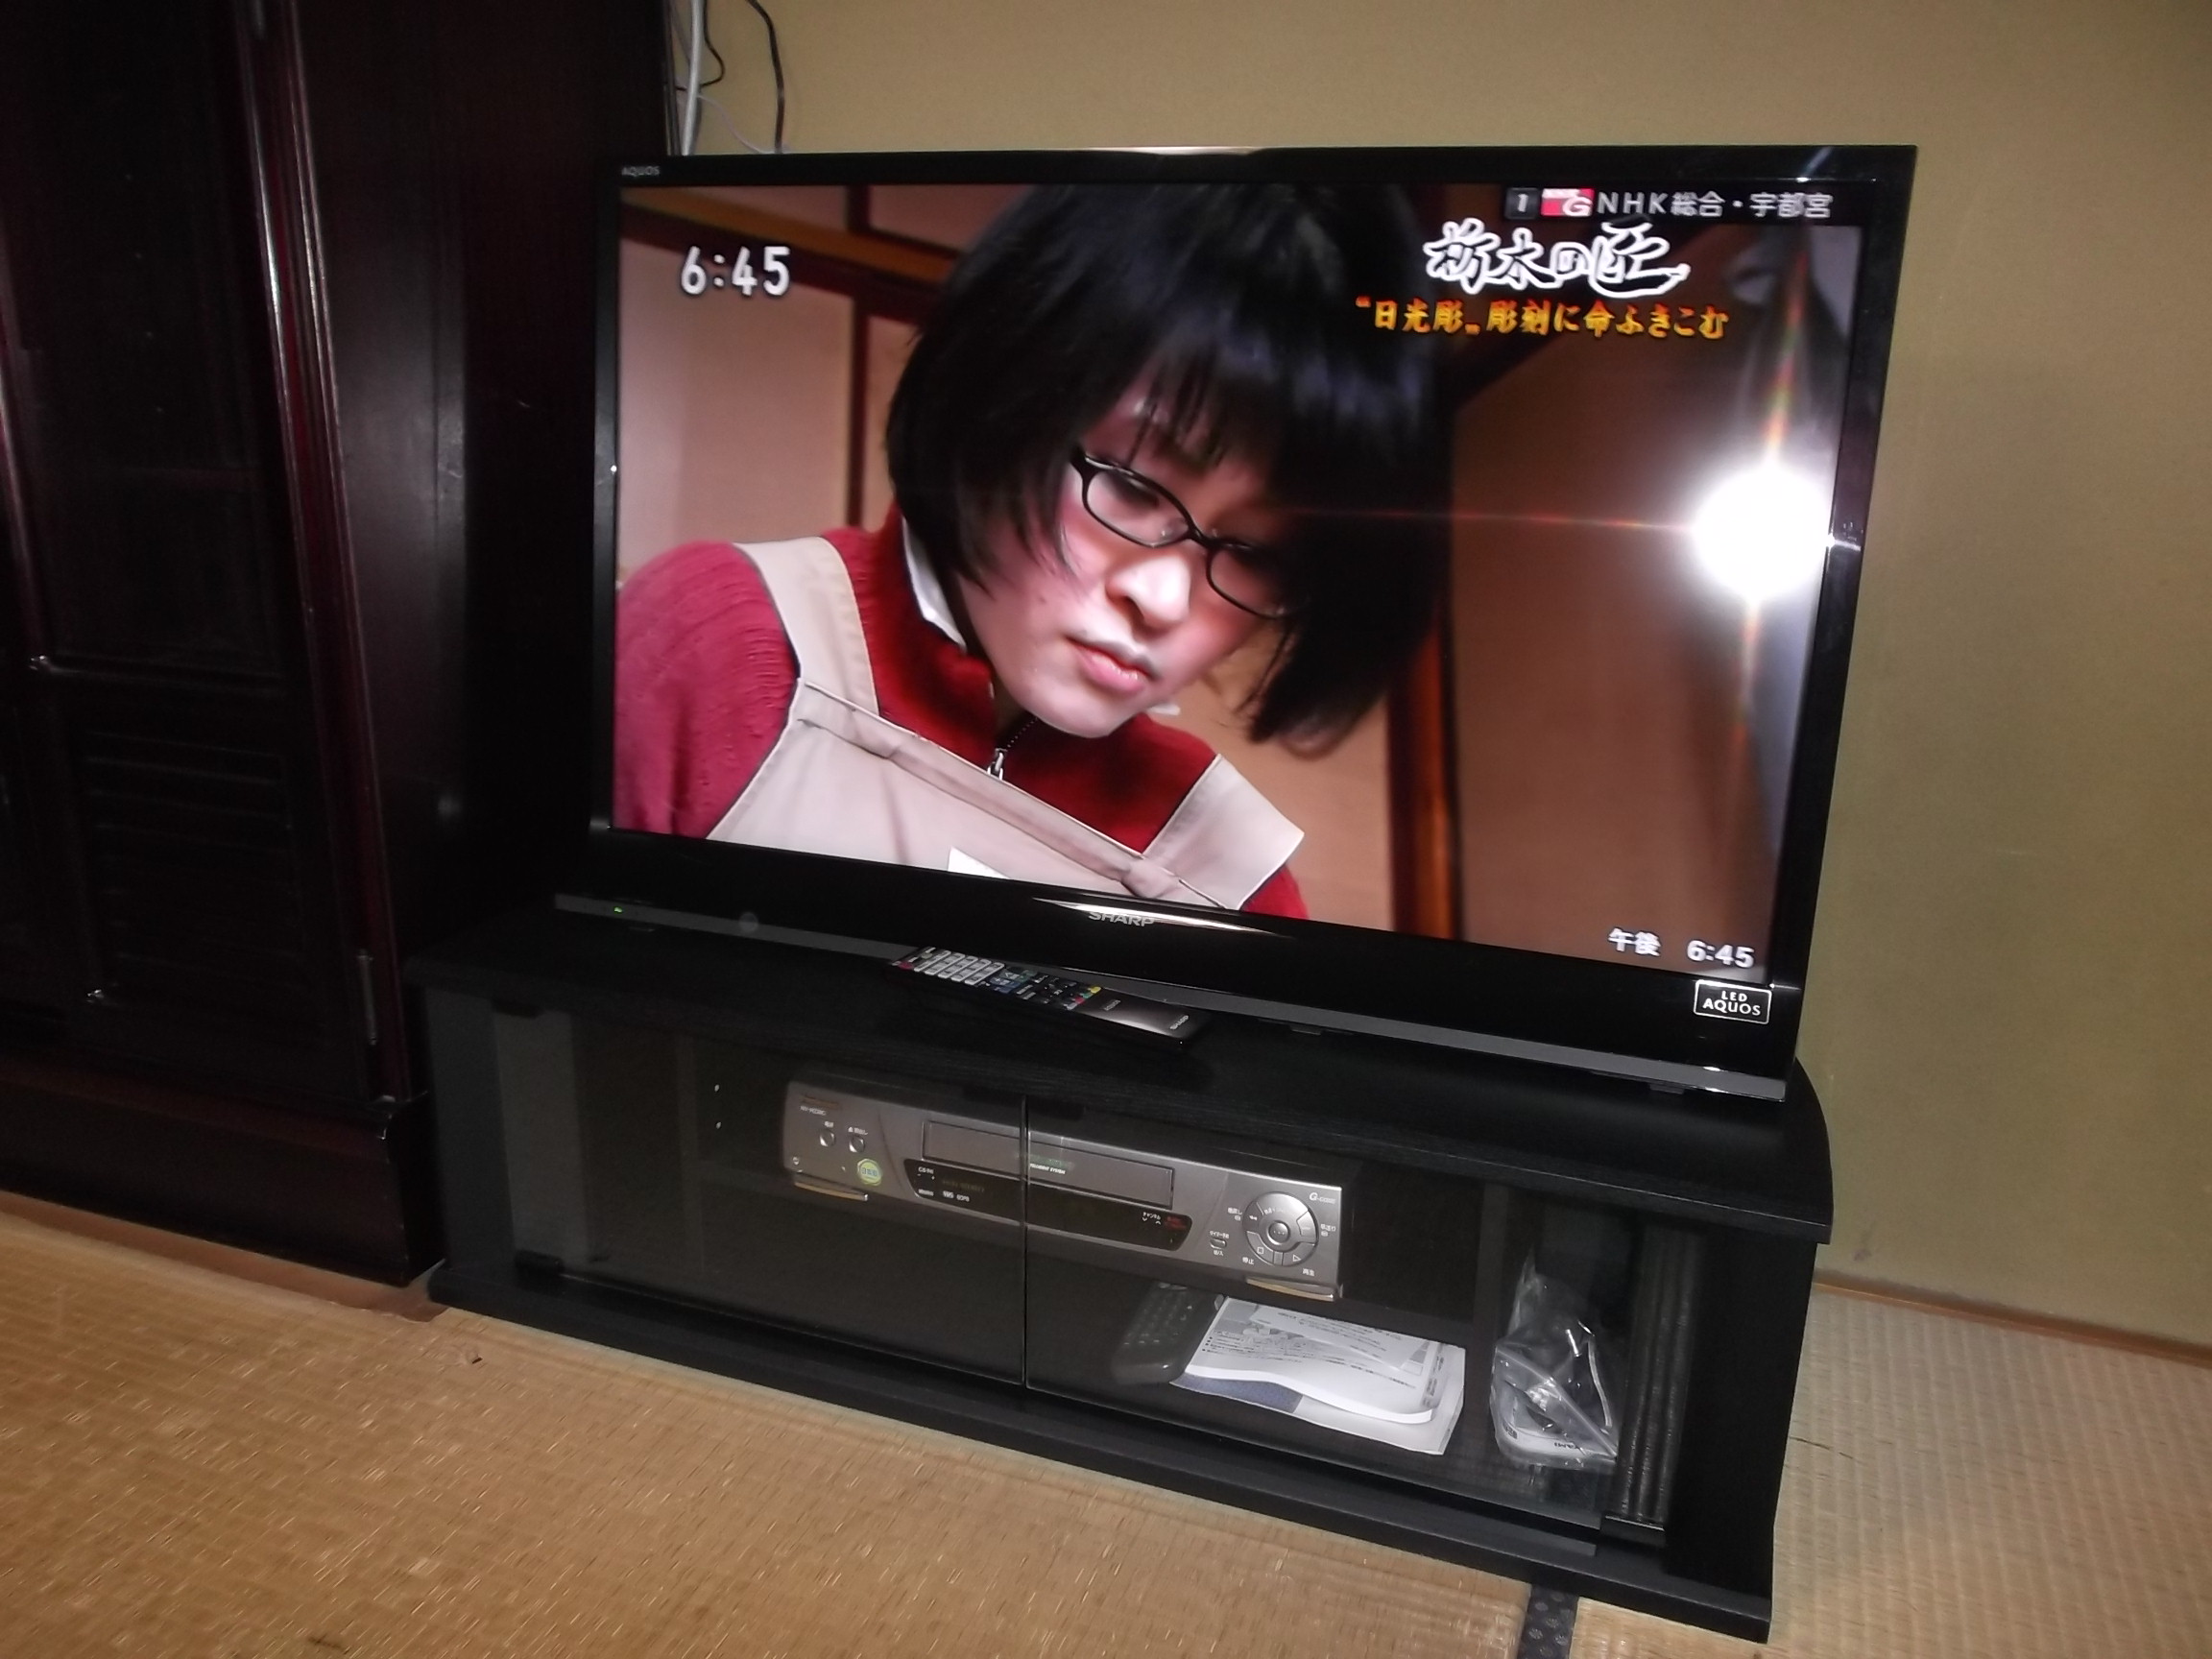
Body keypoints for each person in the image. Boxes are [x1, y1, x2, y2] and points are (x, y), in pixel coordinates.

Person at [615, 181, 1442, 916]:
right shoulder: (721, 645)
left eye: (1253, 552)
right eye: (1131, 483)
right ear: (1001, 393)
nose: (1163, 600)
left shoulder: (1233, 878)